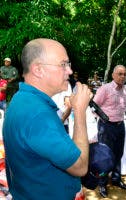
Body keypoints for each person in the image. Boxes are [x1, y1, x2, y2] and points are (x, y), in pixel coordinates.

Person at [3, 38, 92, 199]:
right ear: (38, 69)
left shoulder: (22, 99)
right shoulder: (38, 114)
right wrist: (79, 111)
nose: (70, 71)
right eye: (63, 64)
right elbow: (80, 167)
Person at [93, 65, 126, 198]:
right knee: (104, 156)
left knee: (118, 154)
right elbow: (94, 106)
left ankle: (116, 179)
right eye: (119, 74)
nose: (122, 76)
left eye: (124, 74)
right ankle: (102, 183)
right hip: (106, 126)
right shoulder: (105, 88)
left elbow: (123, 108)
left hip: (120, 125)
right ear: (113, 75)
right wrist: (104, 118)